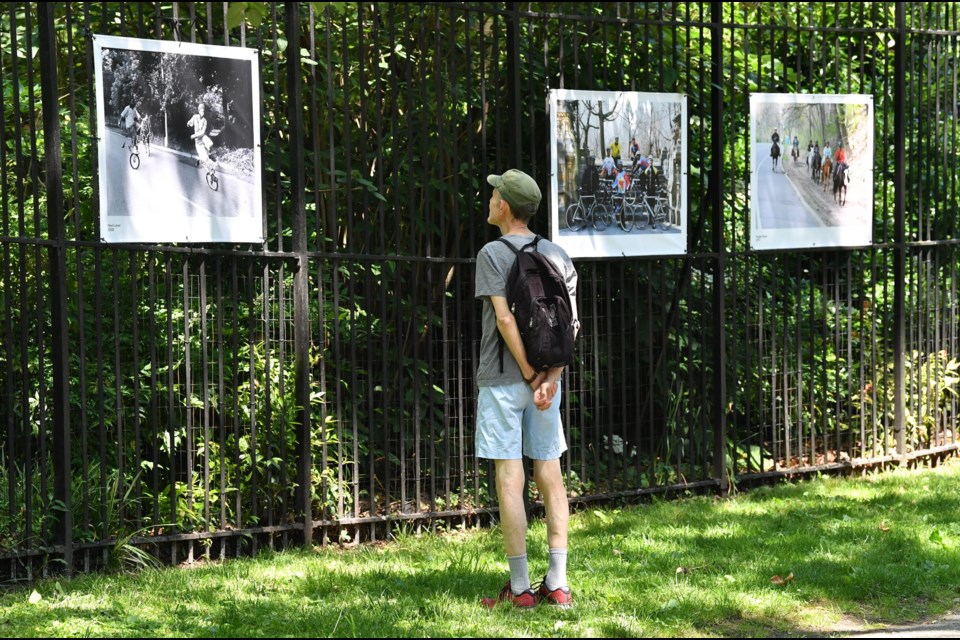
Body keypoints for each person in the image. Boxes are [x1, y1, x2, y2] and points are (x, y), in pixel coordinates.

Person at [476, 169, 578, 609]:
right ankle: (557, 583)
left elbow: (504, 319)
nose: (491, 196)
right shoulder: (556, 253)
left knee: (509, 475)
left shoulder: (492, 253)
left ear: (505, 206)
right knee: (550, 473)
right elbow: (571, 325)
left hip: (503, 379)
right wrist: (549, 378)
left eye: (495, 192)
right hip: (547, 387)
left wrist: (528, 372)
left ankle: (519, 589)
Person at [187, 102, 213, 169]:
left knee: (209, 144)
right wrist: (189, 123)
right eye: (201, 110)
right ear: (199, 111)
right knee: (201, 152)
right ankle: (199, 161)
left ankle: (210, 154)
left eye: (203, 111)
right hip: (197, 139)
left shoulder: (205, 121)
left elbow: (202, 132)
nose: (202, 112)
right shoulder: (195, 117)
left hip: (202, 136)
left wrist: (194, 135)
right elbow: (191, 122)